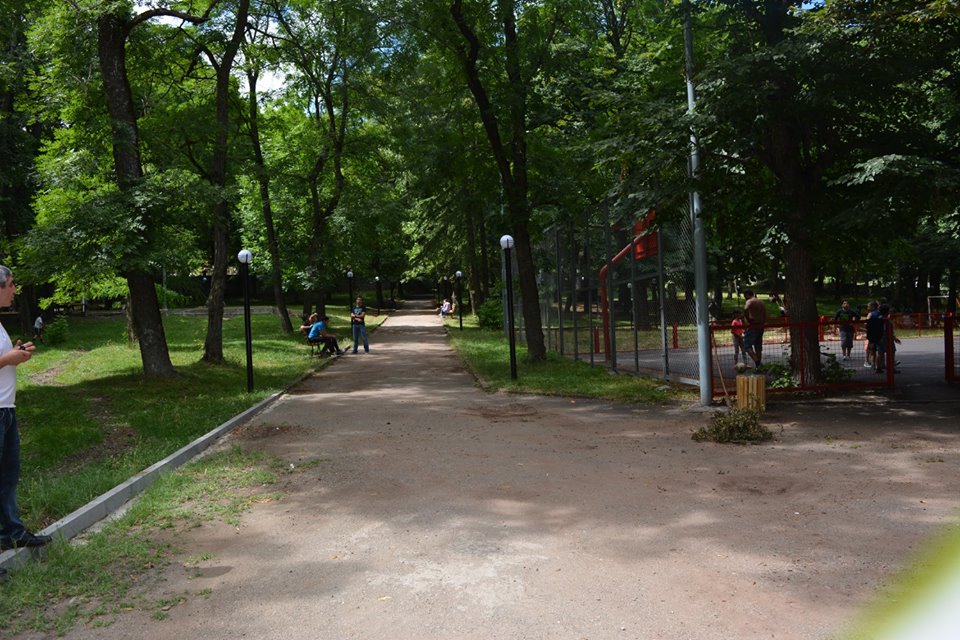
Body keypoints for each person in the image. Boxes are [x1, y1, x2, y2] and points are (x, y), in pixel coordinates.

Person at [0, 265, 53, 571]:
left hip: (6, 409)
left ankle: (11, 532)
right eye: (10, 284)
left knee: (8, 475)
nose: (14, 290)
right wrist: (8, 358)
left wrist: (16, 353)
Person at [743, 289, 767, 368]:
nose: (745, 298)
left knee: (747, 345)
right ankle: (759, 367)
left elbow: (745, 309)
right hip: (761, 325)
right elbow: (765, 314)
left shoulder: (749, 301)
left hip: (752, 326)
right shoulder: (761, 302)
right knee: (758, 346)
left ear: (747, 294)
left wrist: (748, 319)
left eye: (745, 296)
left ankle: (757, 362)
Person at [864, 301, 883, 371]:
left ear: (873, 306)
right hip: (879, 334)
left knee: (872, 351)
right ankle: (879, 366)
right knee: (879, 351)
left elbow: (866, 323)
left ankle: (873, 364)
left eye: (869, 306)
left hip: (872, 335)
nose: (868, 308)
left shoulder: (870, 314)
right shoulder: (880, 313)